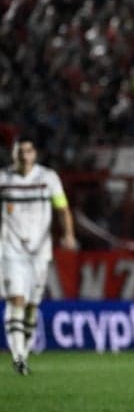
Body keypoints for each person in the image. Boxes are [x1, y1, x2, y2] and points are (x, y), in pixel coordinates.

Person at [1, 136, 77, 375]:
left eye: (28, 151)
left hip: (40, 251)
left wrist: (69, 234)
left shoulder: (48, 178)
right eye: (20, 152)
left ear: (35, 154)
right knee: (17, 300)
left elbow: (62, 208)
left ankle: (24, 350)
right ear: (13, 154)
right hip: (10, 248)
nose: (24, 156)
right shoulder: (3, 179)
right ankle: (18, 356)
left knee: (33, 305)